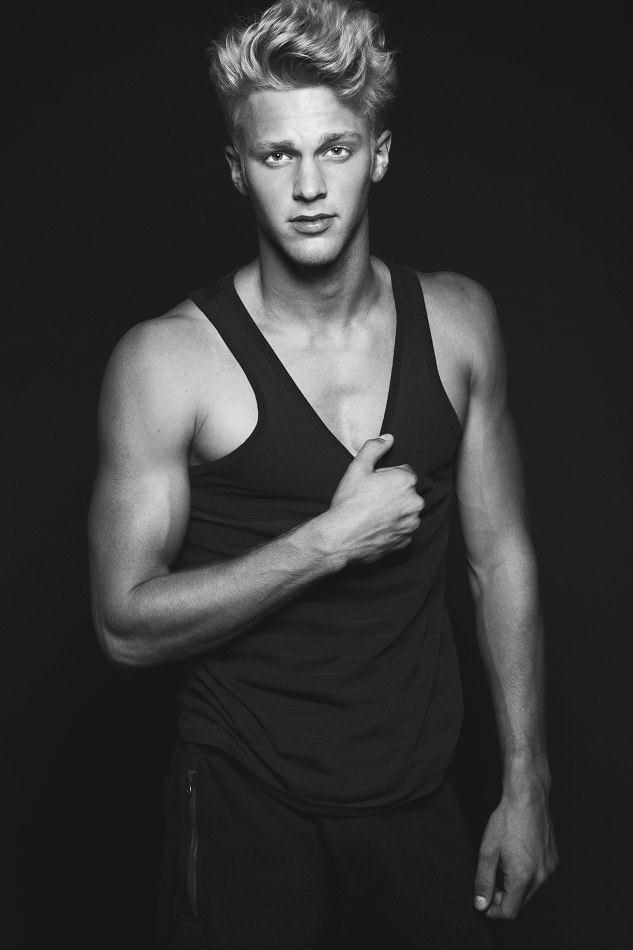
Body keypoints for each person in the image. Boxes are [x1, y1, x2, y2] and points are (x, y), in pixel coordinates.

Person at [88, 1, 558, 946]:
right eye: (277, 156)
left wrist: (525, 781)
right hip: (242, 799)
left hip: (418, 798)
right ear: (237, 168)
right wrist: (326, 544)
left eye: (334, 150)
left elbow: (498, 558)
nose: (308, 186)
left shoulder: (459, 325)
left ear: (377, 154)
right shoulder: (168, 362)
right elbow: (123, 626)